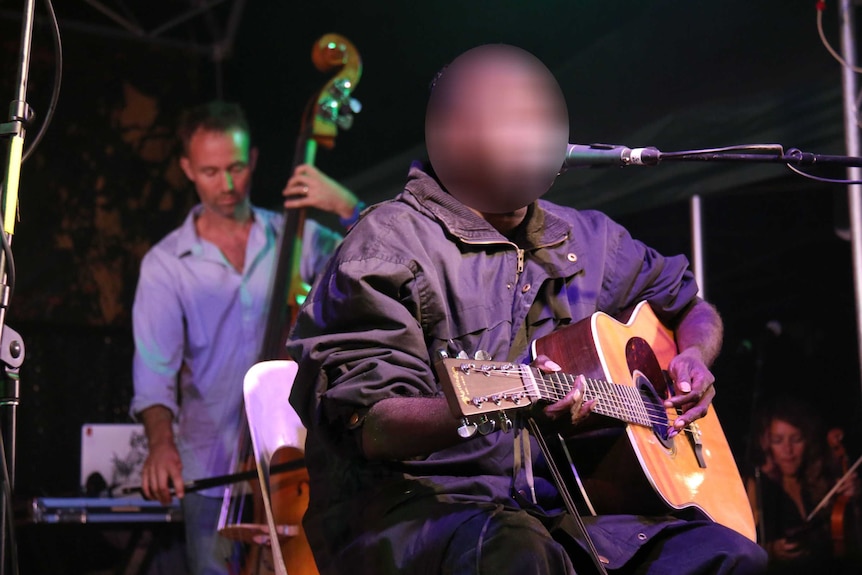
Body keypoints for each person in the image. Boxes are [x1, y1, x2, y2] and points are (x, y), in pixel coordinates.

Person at [287, 44, 767, 574]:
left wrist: (695, 354)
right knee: (516, 552)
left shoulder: (589, 239)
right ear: (456, 131)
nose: (535, 135)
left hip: (562, 514)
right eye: (514, 120)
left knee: (730, 556)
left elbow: (688, 304)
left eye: (542, 121)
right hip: (415, 517)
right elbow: (372, 424)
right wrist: (508, 399)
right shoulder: (385, 248)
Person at [130, 100, 363, 575]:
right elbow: (155, 374)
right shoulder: (165, 264)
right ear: (187, 169)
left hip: (291, 466)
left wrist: (346, 205)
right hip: (212, 471)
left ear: (253, 160)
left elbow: (379, 258)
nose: (228, 184)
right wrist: (160, 444)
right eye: (211, 171)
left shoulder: (294, 237)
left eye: (236, 167)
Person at [745, 396, 861, 573]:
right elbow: (741, 547)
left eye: (796, 439)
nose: (788, 450)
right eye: (778, 441)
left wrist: (856, 501)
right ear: (766, 445)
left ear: (808, 440)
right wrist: (771, 551)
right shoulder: (759, 486)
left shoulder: (825, 479)